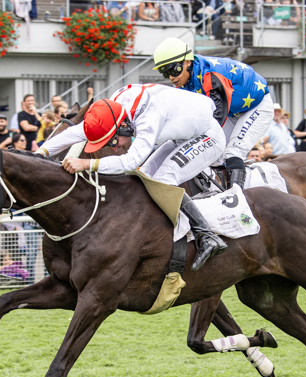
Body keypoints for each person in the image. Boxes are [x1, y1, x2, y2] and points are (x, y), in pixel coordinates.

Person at [40, 84, 228, 271]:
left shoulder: (147, 118)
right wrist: (39, 154)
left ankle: (207, 236)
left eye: (113, 141)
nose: (114, 148)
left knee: (165, 178)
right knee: (143, 178)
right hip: (184, 134)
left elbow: (129, 162)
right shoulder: (112, 111)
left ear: (123, 126)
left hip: (208, 135)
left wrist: (87, 164)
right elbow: (75, 132)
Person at [153, 38, 274, 190]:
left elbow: (216, 119)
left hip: (257, 106)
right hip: (232, 110)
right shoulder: (185, 83)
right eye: (165, 73)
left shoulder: (210, 76)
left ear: (187, 62)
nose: (171, 77)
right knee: (210, 153)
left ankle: (237, 195)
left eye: (173, 70)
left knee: (232, 151)